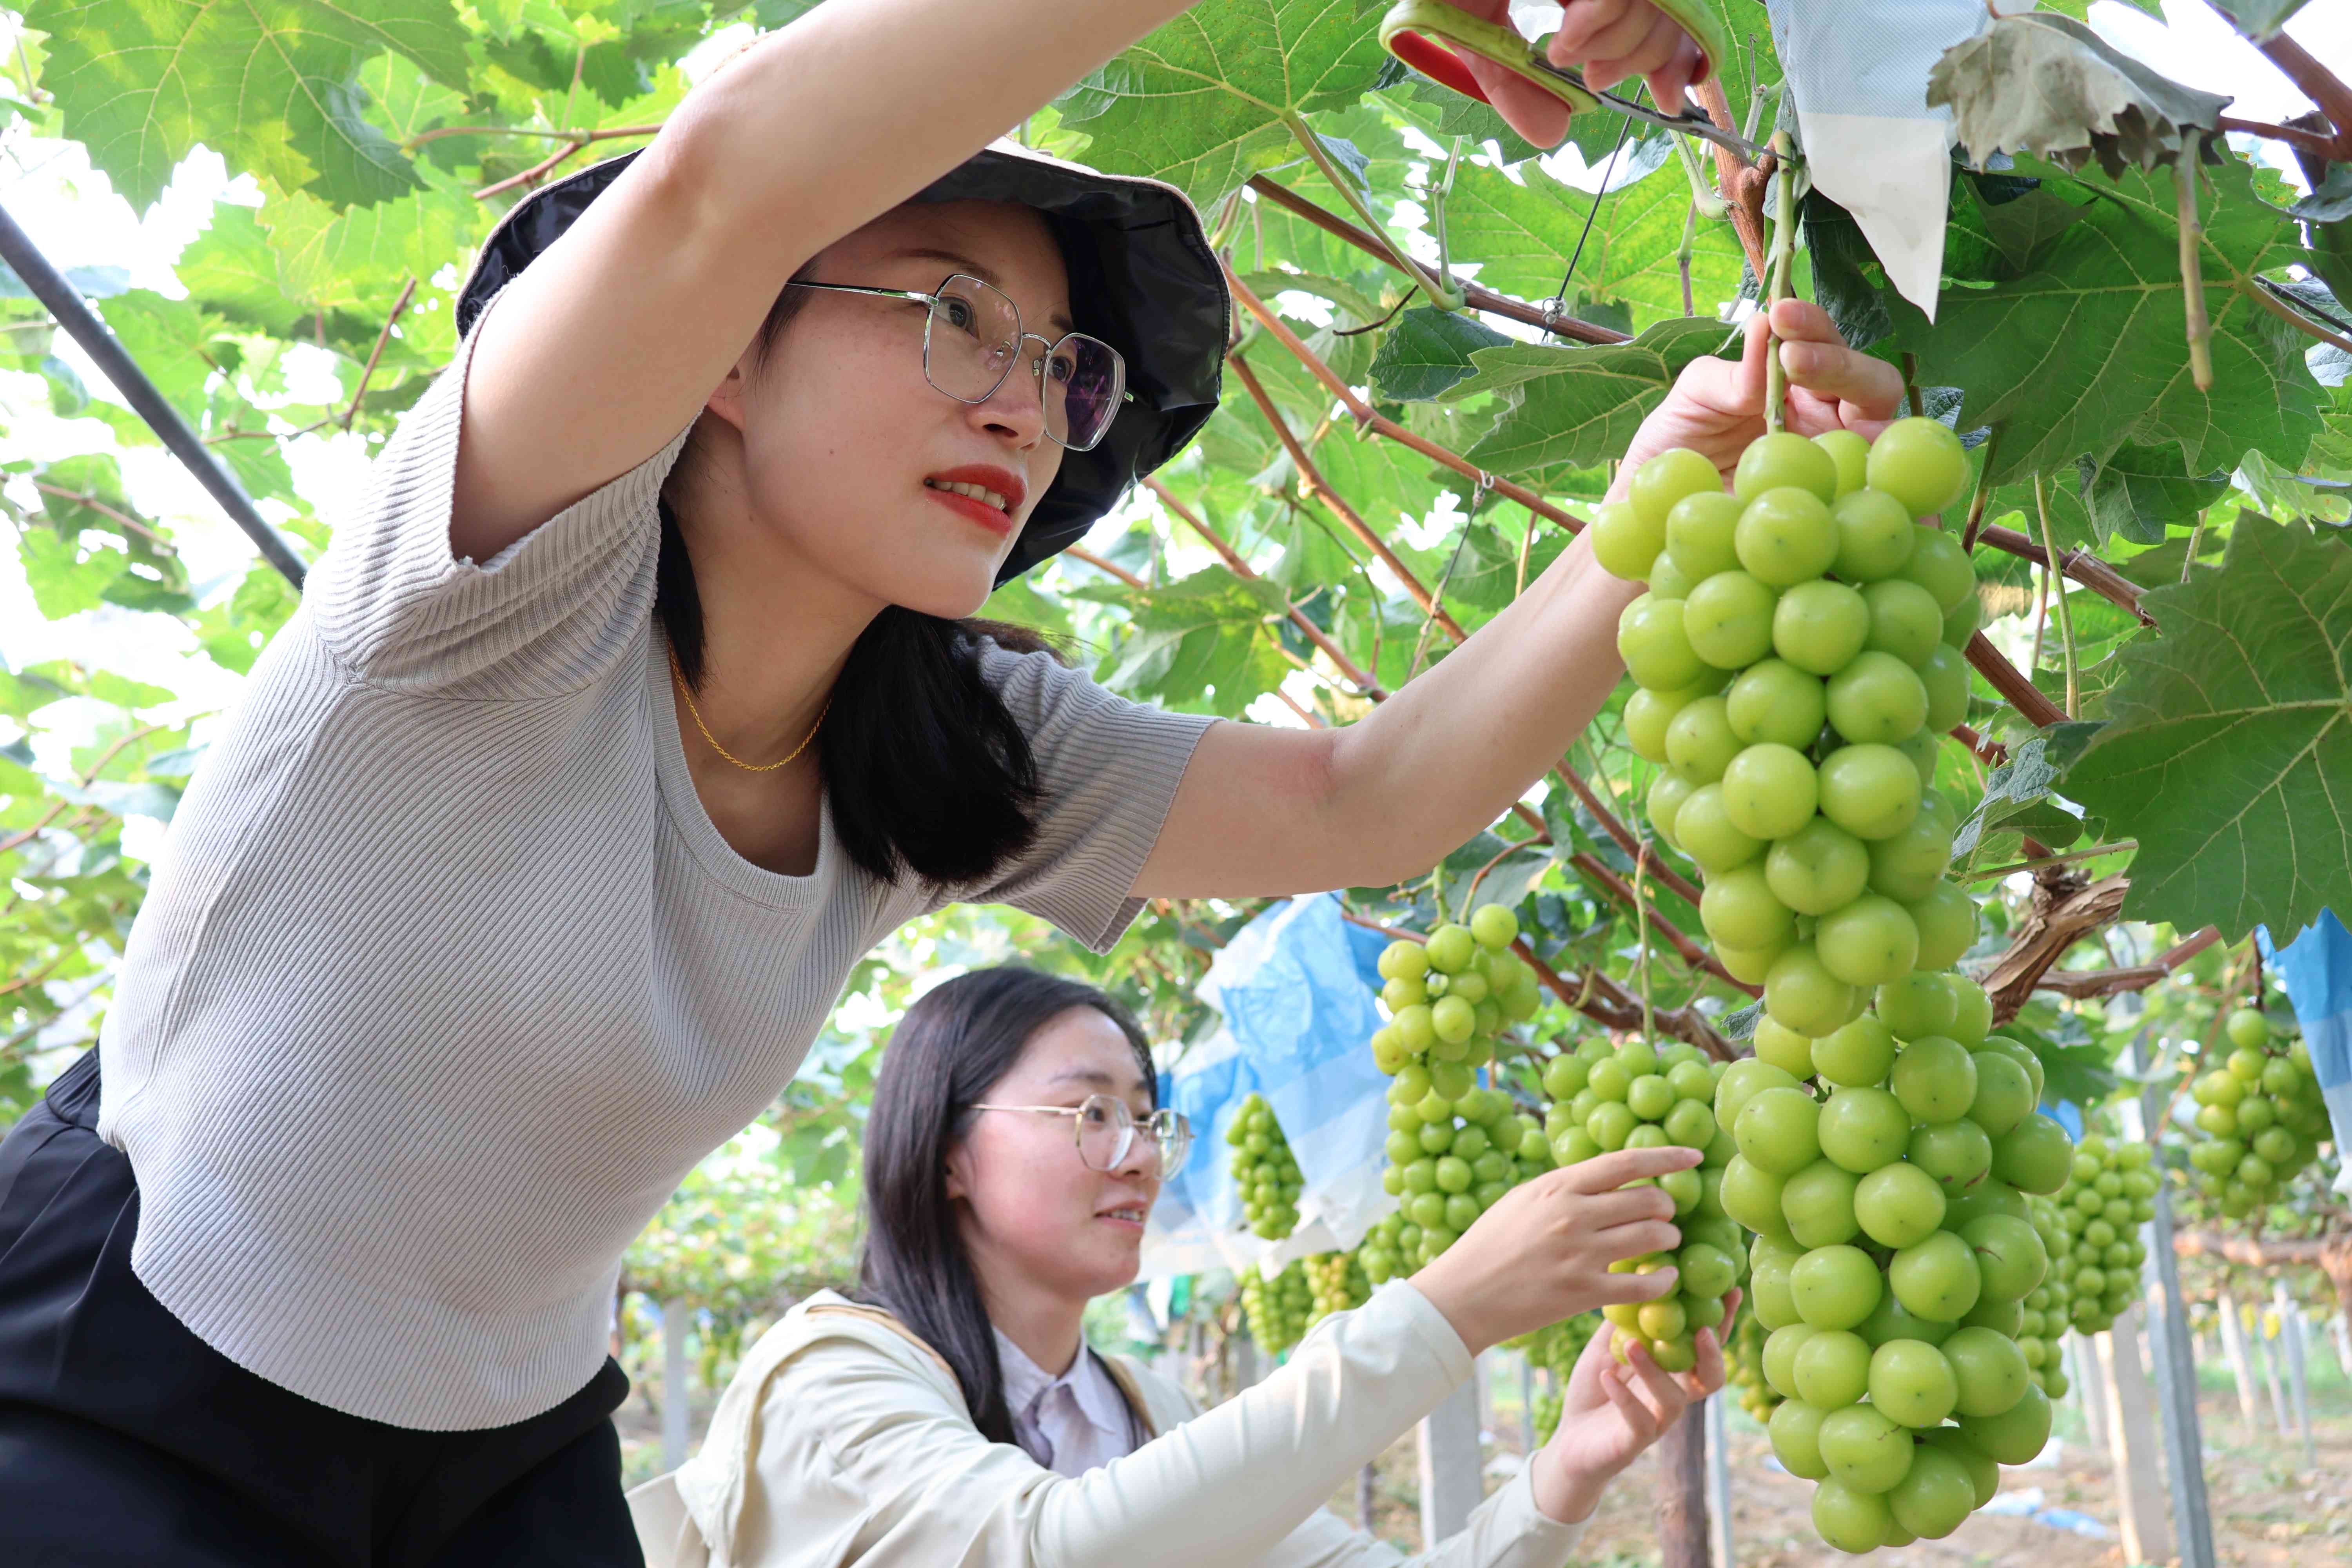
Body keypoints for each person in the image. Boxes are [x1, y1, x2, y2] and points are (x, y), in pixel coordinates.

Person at [0, 0, 1903, 1558]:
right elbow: (727, 174)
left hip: (505, 1454)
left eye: (1059, 361)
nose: (1021, 396)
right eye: (946, 314)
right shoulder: (501, 579)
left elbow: (1366, 807)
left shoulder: (944, 757)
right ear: (724, 355)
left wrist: (1676, 479)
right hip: (135, 1373)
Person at [630, 967, 1731, 1567]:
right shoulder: (830, 1375)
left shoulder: (1142, 1410)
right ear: (950, 1149)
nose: (1138, 1154)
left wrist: (1565, 1475)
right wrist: (1444, 1313)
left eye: (1147, 1117)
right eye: (1088, 1110)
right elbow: (1047, 1551)